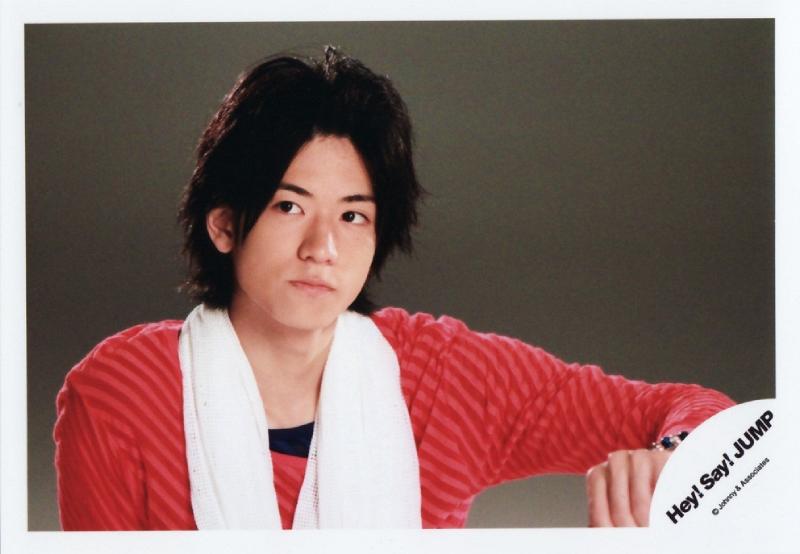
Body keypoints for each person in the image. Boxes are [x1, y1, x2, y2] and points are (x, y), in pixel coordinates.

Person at [53, 46, 734, 530]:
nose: (323, 248)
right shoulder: (122, 393)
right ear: (225, 224)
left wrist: (675, 459)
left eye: (353, 216)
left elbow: (707, 414)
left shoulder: (444, 376)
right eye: (289, 206)